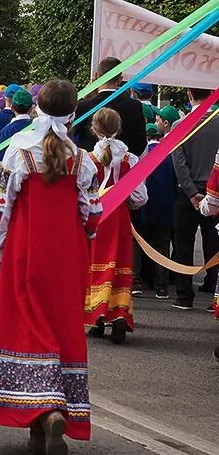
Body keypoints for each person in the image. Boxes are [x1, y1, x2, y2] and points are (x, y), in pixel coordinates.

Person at [0, 79, 101, 455]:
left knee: (26, 328)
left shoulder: (18, 153)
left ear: (38, 109)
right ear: (73, 113)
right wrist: (85, 236)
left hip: (26, 253)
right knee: (62, 329)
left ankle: (42, 417)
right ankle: (52, 416)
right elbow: (90, 214)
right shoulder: (82, 159)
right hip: (67, 256)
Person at [85, 108, 147, 344]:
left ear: (95, 129)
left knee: (95, 264)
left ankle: (97, 318)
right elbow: (141, 197)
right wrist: (127, 200)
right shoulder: (130, 159)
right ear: (119, 128)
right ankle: (119, 317)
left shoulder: (88, 159)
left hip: (96, 216)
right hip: (119, 216)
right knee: (119, 264)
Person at [171, 87, 219, 310]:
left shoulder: (180, 125)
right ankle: (213, 290)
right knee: (213, 242)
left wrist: (191, 193)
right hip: (215, 191)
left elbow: (178, 163)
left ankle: (184, 295)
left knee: (183, 243)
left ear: (190, 95)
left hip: (186, 192)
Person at [73, 57, 147, 156]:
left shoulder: (82, 107)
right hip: (126, 168)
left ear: (95, 75)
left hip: (90, 168)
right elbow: (140, 145)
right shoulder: (134, 107)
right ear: (120, 79)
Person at [136, 123, 177, 299]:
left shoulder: (141, 156)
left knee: (139, 244)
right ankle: (162, 286)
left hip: (144, 208)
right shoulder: (169, 155)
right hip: (165, 208)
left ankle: (137, 281)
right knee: (161, 246)